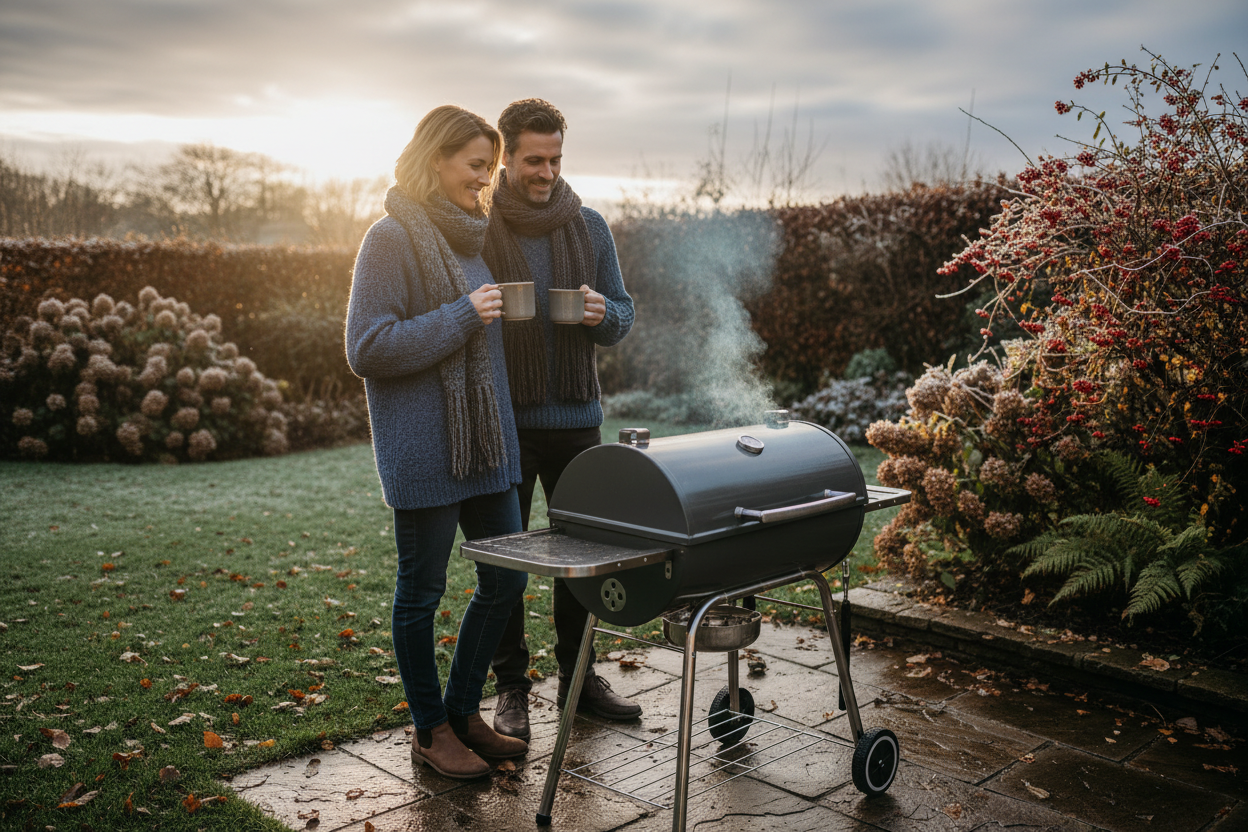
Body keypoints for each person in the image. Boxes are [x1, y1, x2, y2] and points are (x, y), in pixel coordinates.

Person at [345, 105, 530, 780]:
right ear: (435, 161)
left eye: (488, 167)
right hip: (426, 453)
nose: (485, 181)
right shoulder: (389, 239)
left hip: (485, 451)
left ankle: (460, 711)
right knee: (421, 595)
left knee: (505, 579)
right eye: (476, 166)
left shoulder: (471, 242)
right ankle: (429, 729)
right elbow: (366, 347)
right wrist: (461, 315)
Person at [483, 98, 639, 742]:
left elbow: (625, 315)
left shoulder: (591, 226)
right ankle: (512, 688)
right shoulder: (478, 226)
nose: (545, 172)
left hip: (577, 420)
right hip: (507, 421)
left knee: (583, 558)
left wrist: (607, 315)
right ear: (506, 155)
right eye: (533, 160)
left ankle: (580, 676)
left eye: (555, 160)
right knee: (507, 561)